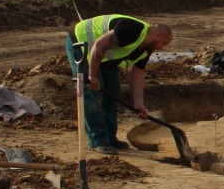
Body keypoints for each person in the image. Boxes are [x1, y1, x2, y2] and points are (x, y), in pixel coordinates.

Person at [65, 14, 173, 154]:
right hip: (81, 44)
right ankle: (98, 141)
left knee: (113, 93)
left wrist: (139, 104)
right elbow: (99, 45)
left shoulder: (146, 48)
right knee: (93, 96)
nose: (162, 48)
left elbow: (138, 76)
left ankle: (110, 138)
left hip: (103, 56)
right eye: (164, 44)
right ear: (158, 35)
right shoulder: (132, 29)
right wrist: (92, 75)